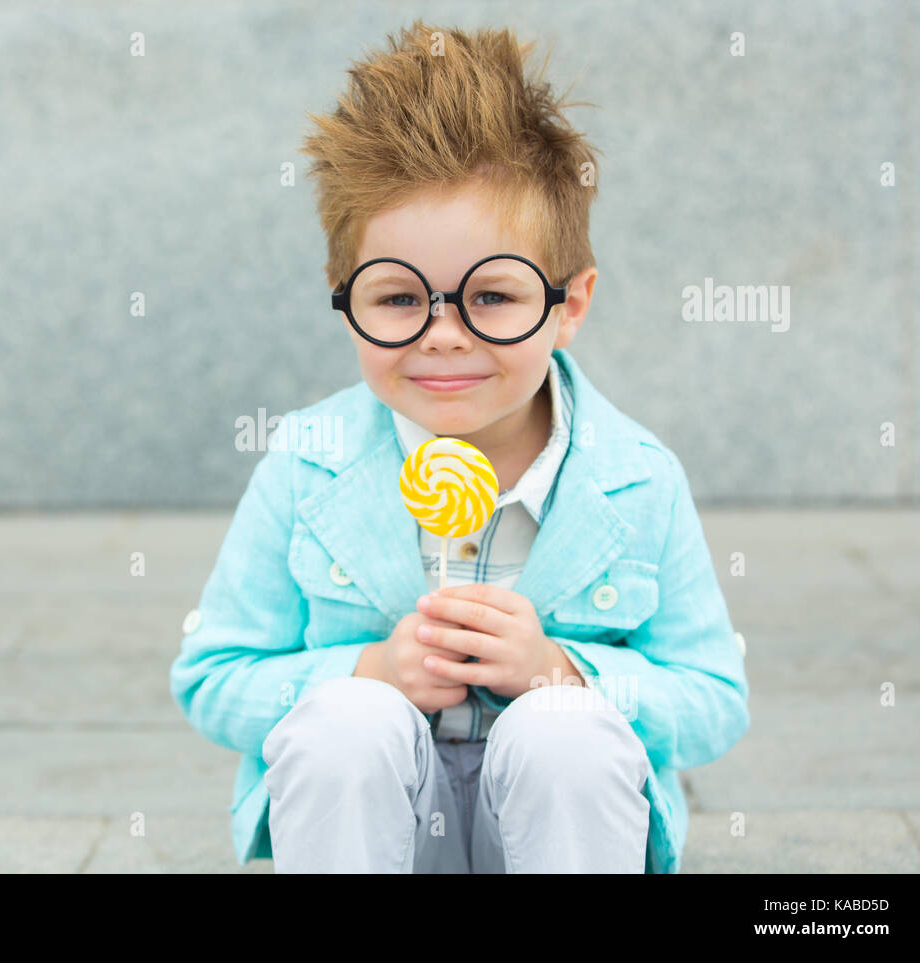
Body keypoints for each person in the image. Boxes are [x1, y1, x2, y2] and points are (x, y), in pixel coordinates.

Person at [169, 19, 749, 873]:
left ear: (570, 304)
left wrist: (561, 669)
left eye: (494, 295)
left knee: (566, 732)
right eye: (400, 298)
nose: (445, 335)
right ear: (343, 296)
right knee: (346, 720)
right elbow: (212, 675)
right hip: (377, 828)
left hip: (554, 828)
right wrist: (370, 668)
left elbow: (714, 701)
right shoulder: (307, 460)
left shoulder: (636, 480)